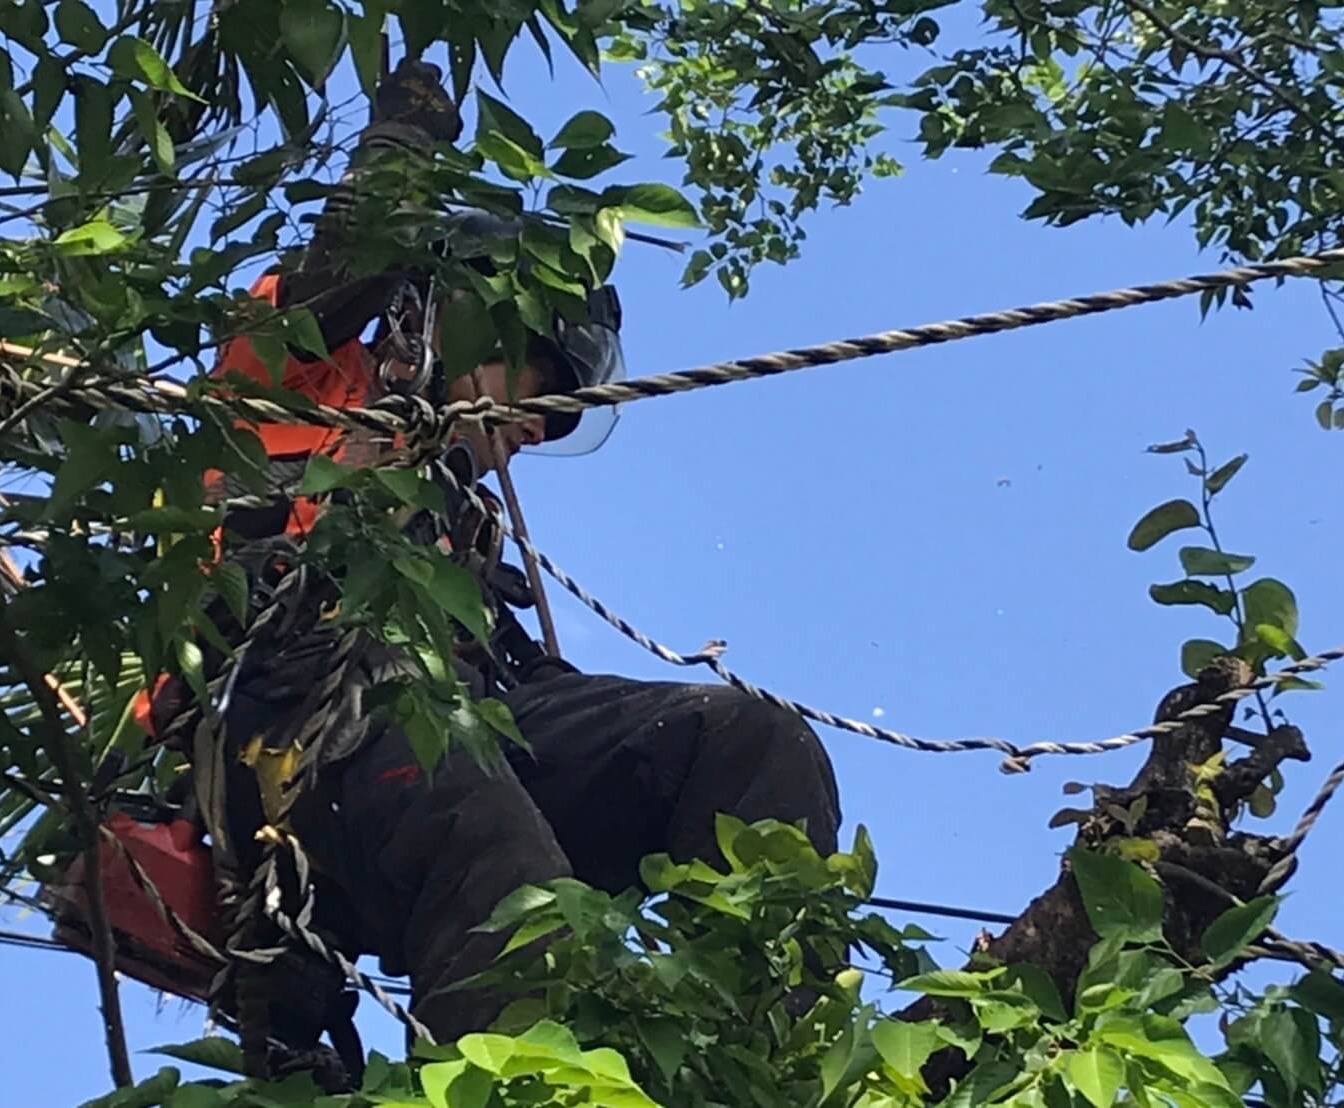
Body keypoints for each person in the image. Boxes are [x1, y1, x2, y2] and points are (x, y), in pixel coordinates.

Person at [145, 60, 841, 1060]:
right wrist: (404, 137)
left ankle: (757, 1057)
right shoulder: (303, 364)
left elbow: (526, 700)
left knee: (747, 742)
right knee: (505, 866)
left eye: (557, 419)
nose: (527, 431)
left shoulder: (456, 529)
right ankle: (517, 1085)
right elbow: (359, 249)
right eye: (535, 384)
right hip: (290, 725)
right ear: (468, 317)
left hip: (454, 725)